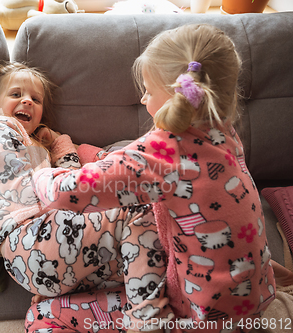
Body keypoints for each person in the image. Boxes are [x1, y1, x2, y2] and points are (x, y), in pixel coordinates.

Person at [31, 24, 276, 332]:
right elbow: (134, 166)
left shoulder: (164, 151)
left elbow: (63, 194)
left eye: (147, 90)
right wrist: (93, 155)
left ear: (177, 96)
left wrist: (38, 173)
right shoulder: (223, 130)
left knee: (42, 314)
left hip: (196, 314)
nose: (144, 99)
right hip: (252, 298)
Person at [0, 62, 141, 332]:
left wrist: (57, 146)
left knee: (130, 259)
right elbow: (62, 191)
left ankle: (54, 312)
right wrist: (61, 147)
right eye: (16, 94)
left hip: (34, 268)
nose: (26, 100)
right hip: (31, 238)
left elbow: (65, 187)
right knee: (136, 212)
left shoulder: (35, 149)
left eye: (35, 99)